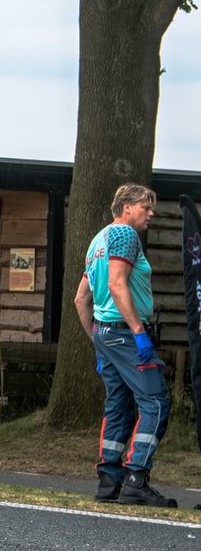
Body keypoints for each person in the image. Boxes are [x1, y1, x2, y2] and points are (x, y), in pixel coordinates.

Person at [73, 183, 175, 507]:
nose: (151, 213)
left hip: (106, 333)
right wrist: (138, 333)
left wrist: (98, 342)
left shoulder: (96, 241)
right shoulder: (125, 236)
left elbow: (80, 299)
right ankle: (135, 479)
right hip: (127, 334)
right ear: (126, 207)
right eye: (146, 206)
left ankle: (108, 482)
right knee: (156, 402)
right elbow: (117, 284)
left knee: (118, 405)